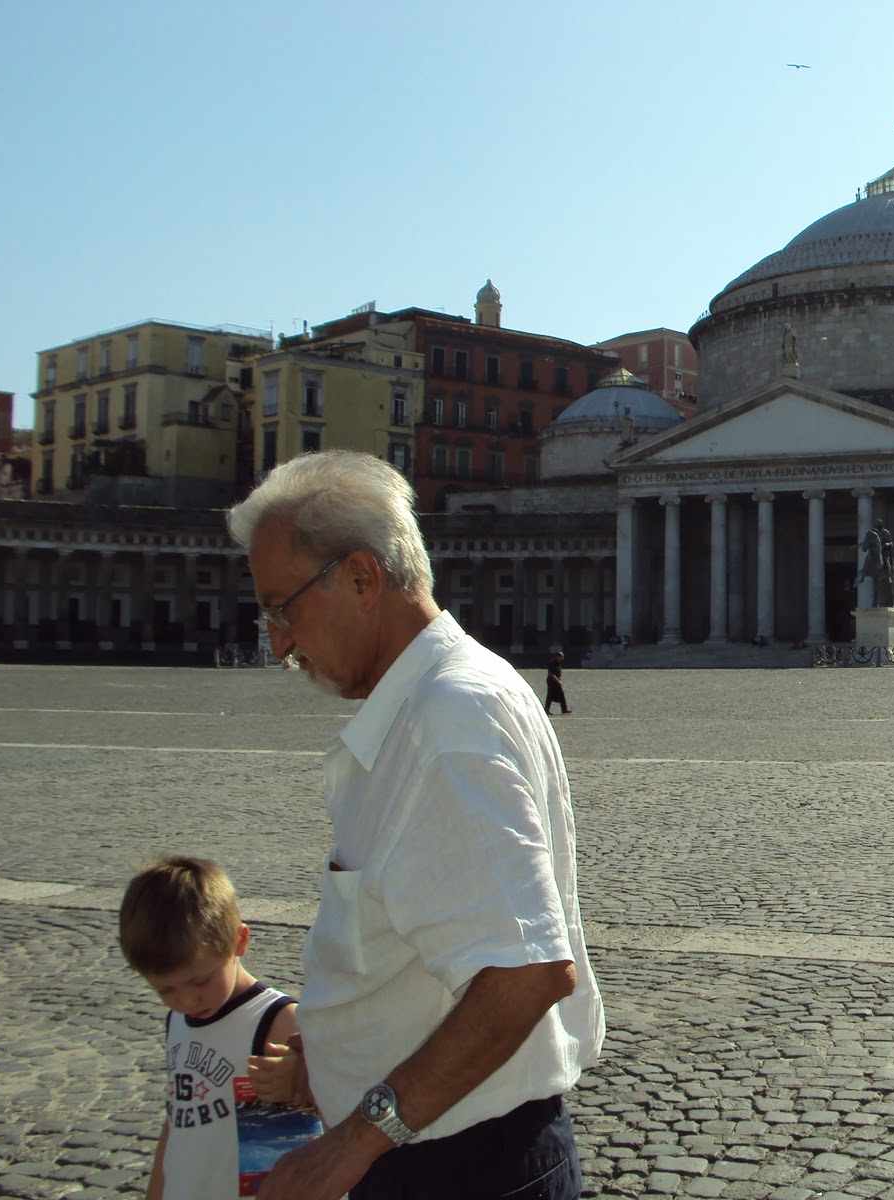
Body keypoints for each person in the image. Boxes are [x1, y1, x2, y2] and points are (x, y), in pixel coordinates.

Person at [227, 451, 604, 1200]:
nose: (278, 642)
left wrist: (348, 1147)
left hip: (457, 1167)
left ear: (362, 579)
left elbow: (524, 974)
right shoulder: (440, 698)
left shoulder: (446, 720)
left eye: (283, 608)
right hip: (444, 1149)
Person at [119, 856, 321, 1200]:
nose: (186, 1000)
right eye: (165, 990)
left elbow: (331, 1110)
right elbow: (176, 1120)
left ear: (239, 941)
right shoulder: (178, 1020)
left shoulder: (277, 1019)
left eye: (200, 981)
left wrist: (300, 1083)